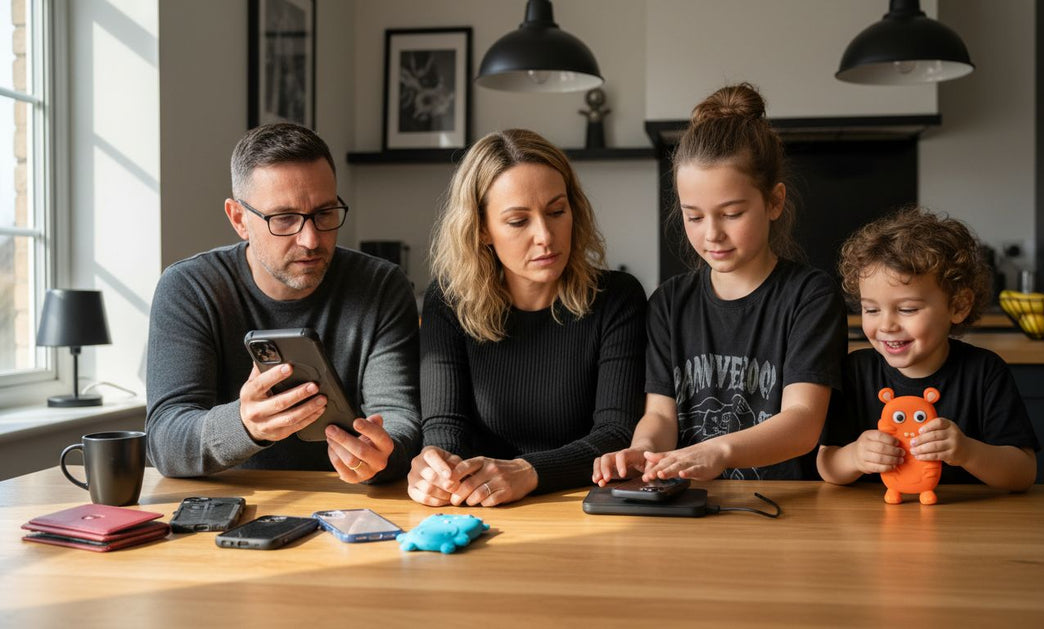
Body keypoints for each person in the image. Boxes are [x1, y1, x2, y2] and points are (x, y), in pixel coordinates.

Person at [593, 83, 847, 485]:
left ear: (774, 202)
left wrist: (718, 451)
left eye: (731, 213)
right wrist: (642, 451)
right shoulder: (669, 303)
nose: (712, 234)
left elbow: (802, 422)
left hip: (787, 508)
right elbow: (660, 415)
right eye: (694, 217)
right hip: (693, 502)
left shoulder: (809, 296)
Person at [145, 123, 420, 484]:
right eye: (285, 219)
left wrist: (384, 453)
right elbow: (164, 440)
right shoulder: (190, 288)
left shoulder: (380, 285)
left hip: (351, 505)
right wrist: (244, 425)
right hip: (230, 505)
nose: (311, 239)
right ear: (239, 219)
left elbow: (401, 419)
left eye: (325, 213)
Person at [408, 128, 647, 507]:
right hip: (481, 508)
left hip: (584, 509)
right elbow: (445, 427)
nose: (546, 236)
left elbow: (616, 434)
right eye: (519, 221)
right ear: (482, 229)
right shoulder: (447, 301)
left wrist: (529, 471)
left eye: (556, 212)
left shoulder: (617, 298)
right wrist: (436, 467)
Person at [817, 207, 1039, 490]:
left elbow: (1023, 473)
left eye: (907, 309)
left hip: (965, 524)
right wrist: (855, 456)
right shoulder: (855, 371)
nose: (886, 325)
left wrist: (968, 452)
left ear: (958, 306)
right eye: (871, 309)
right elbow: (826, 463)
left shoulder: (985, 372)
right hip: (875, 524)